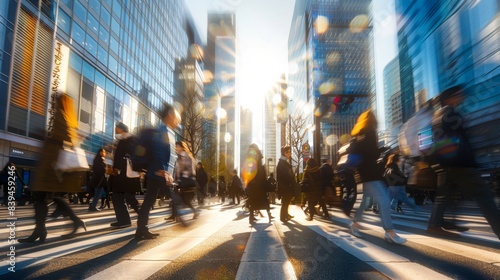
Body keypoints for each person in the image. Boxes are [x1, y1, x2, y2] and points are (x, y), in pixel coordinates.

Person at [426, 85, 500, 239]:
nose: (462, 97)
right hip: (459, 164)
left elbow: (437, 142)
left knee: (444, 196)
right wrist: (466, 161)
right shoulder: (450, 114)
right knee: (483, 195)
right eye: (458, 94)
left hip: (446, 165)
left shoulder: (437, 116)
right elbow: (455, 141)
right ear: (449, 98)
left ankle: (434, 224)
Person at [18, 94, 87, 243]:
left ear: (61, 102)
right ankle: (68, 223)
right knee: (47, 196)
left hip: (52, 164)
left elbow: (65, 138)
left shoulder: (61, 115)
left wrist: (47, 138)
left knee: (40, 195)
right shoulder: (66, 116)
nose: (52, 103)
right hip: (51, 163)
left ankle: (41, 230)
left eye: (55, 101)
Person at [349, 109, 407, 244]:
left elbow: (365, 152)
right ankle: (390, 232)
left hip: (364, 173)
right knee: (384, 201)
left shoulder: (359, 134)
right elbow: (372, 154)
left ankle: (355, 225)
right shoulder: (370, 133)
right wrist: (382, 149)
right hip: (371, 174)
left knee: (366, 203)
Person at [135, 102, 180, 239]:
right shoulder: (163, 130)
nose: (178, 119)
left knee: (149, 201)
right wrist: (162, 170)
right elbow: (159, 151)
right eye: (177, 116)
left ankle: (141, 229)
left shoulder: (165, 130)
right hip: (159, 172)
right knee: (173, 198)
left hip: (159, 172)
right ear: (170, 115)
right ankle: (183, 220)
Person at [109, 122, 140, 228]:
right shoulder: (122, 140)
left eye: (117, 129)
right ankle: (125, 220)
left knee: (127, 196)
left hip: (126, 172)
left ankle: (139, 215)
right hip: (122, 173)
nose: (116, 131)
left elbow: (133, 153)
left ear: (122, 129)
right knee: (119, 196)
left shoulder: (130, 139)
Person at [244, 144, 274, 224]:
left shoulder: (250, 160)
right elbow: (262, 174)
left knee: (252, 202)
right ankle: (268, 214)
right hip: (260, 185)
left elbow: (248, 173)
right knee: (264, 200)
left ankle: (251, 217)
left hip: (253, 185)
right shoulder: (259, 160)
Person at [171, 141, 199, 220]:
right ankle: (176, 215)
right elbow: (178, 171)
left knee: (178, 198)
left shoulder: (185, 156)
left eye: (177, 146)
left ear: (181, 147)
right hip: (182, 181)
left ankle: (175, 215)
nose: (176, 148)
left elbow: (188, 170)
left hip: (185, 181)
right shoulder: (180, 156)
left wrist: (179, 180)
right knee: (184, 200)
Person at [276, 145, 297, 223]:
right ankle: (283, 217)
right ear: (285, 153)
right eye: (289, 152)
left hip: (286, 185)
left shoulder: (283, 162)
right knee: (285, 201)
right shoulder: (282, 163)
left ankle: (285, 214)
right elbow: (285, 175)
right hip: (285, 186)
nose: (290, 153)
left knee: (286, 201)